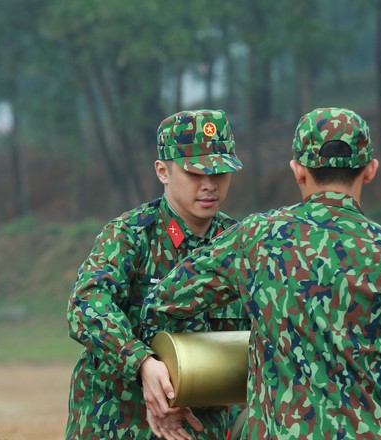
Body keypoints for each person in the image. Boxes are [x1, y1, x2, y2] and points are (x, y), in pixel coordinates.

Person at [141, 107, 381, 439]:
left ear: (297, 171)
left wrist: (174, 379)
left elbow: (163, 300)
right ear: (370, 171)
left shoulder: (257, 239)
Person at [65, 109, 249, 439]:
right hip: (120, 425)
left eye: (220, 172)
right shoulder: (131, 237)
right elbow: (86, 306)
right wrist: (142, 363)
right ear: (163, 171)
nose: (209, 185)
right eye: (195, 173)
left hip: (201, 429)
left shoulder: (241, 245)